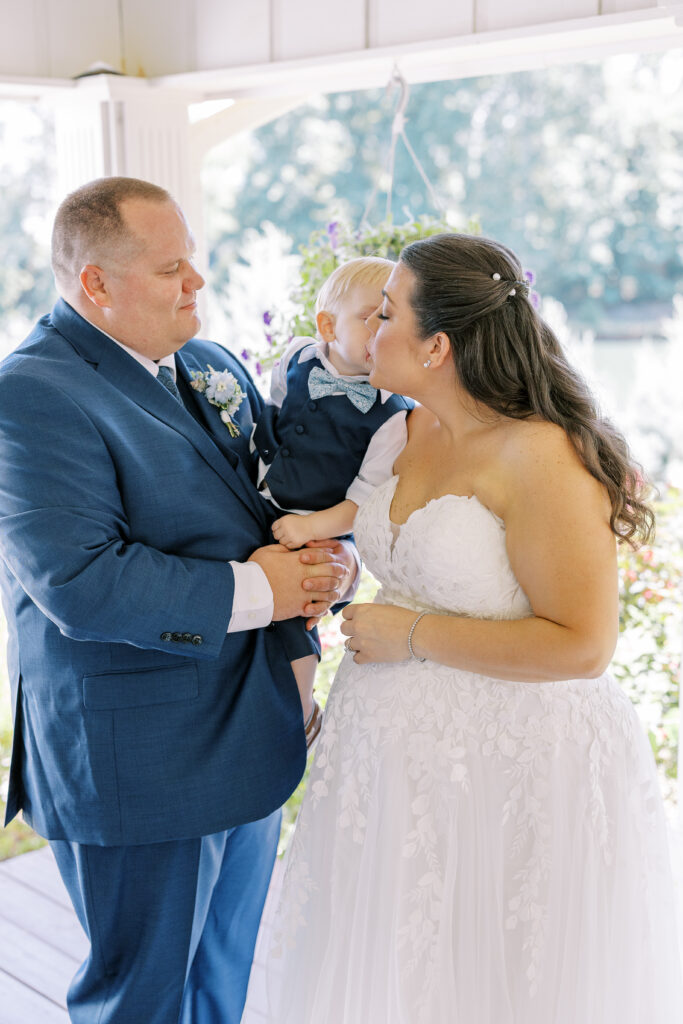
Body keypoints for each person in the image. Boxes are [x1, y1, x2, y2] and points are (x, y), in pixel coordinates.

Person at [268, 233, 683, 1023]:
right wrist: (346, 573)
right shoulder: (398, 432)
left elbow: (584, 646)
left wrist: (412, 636)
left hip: (516, 765)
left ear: (436, 347)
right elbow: (394, 546)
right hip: (392, 767)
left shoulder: (539, 455)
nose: (369, 327)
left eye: (385, 313)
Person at [0, 176, 357, 1024]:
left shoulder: (212, 362)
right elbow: (78, 583)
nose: (197, 282)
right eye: (171, 269)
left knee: (220, 983)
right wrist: (261, 589)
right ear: (95, 283)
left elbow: (280, 508)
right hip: (138, 755)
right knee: (143, 998)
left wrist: (327, 563)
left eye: (192, 261)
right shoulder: (30, 393)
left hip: (251, 732)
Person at [252, 256, 413, 738]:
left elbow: (363, 502)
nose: (381, 331)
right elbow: (272, 417)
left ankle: (303, 710)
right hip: (259, 501)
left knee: (299, 620)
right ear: (327, 325)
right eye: (370, 317)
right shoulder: (298, 358)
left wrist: (311, 528)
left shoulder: (391, 415)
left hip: (317, 522)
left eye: (391, 318)